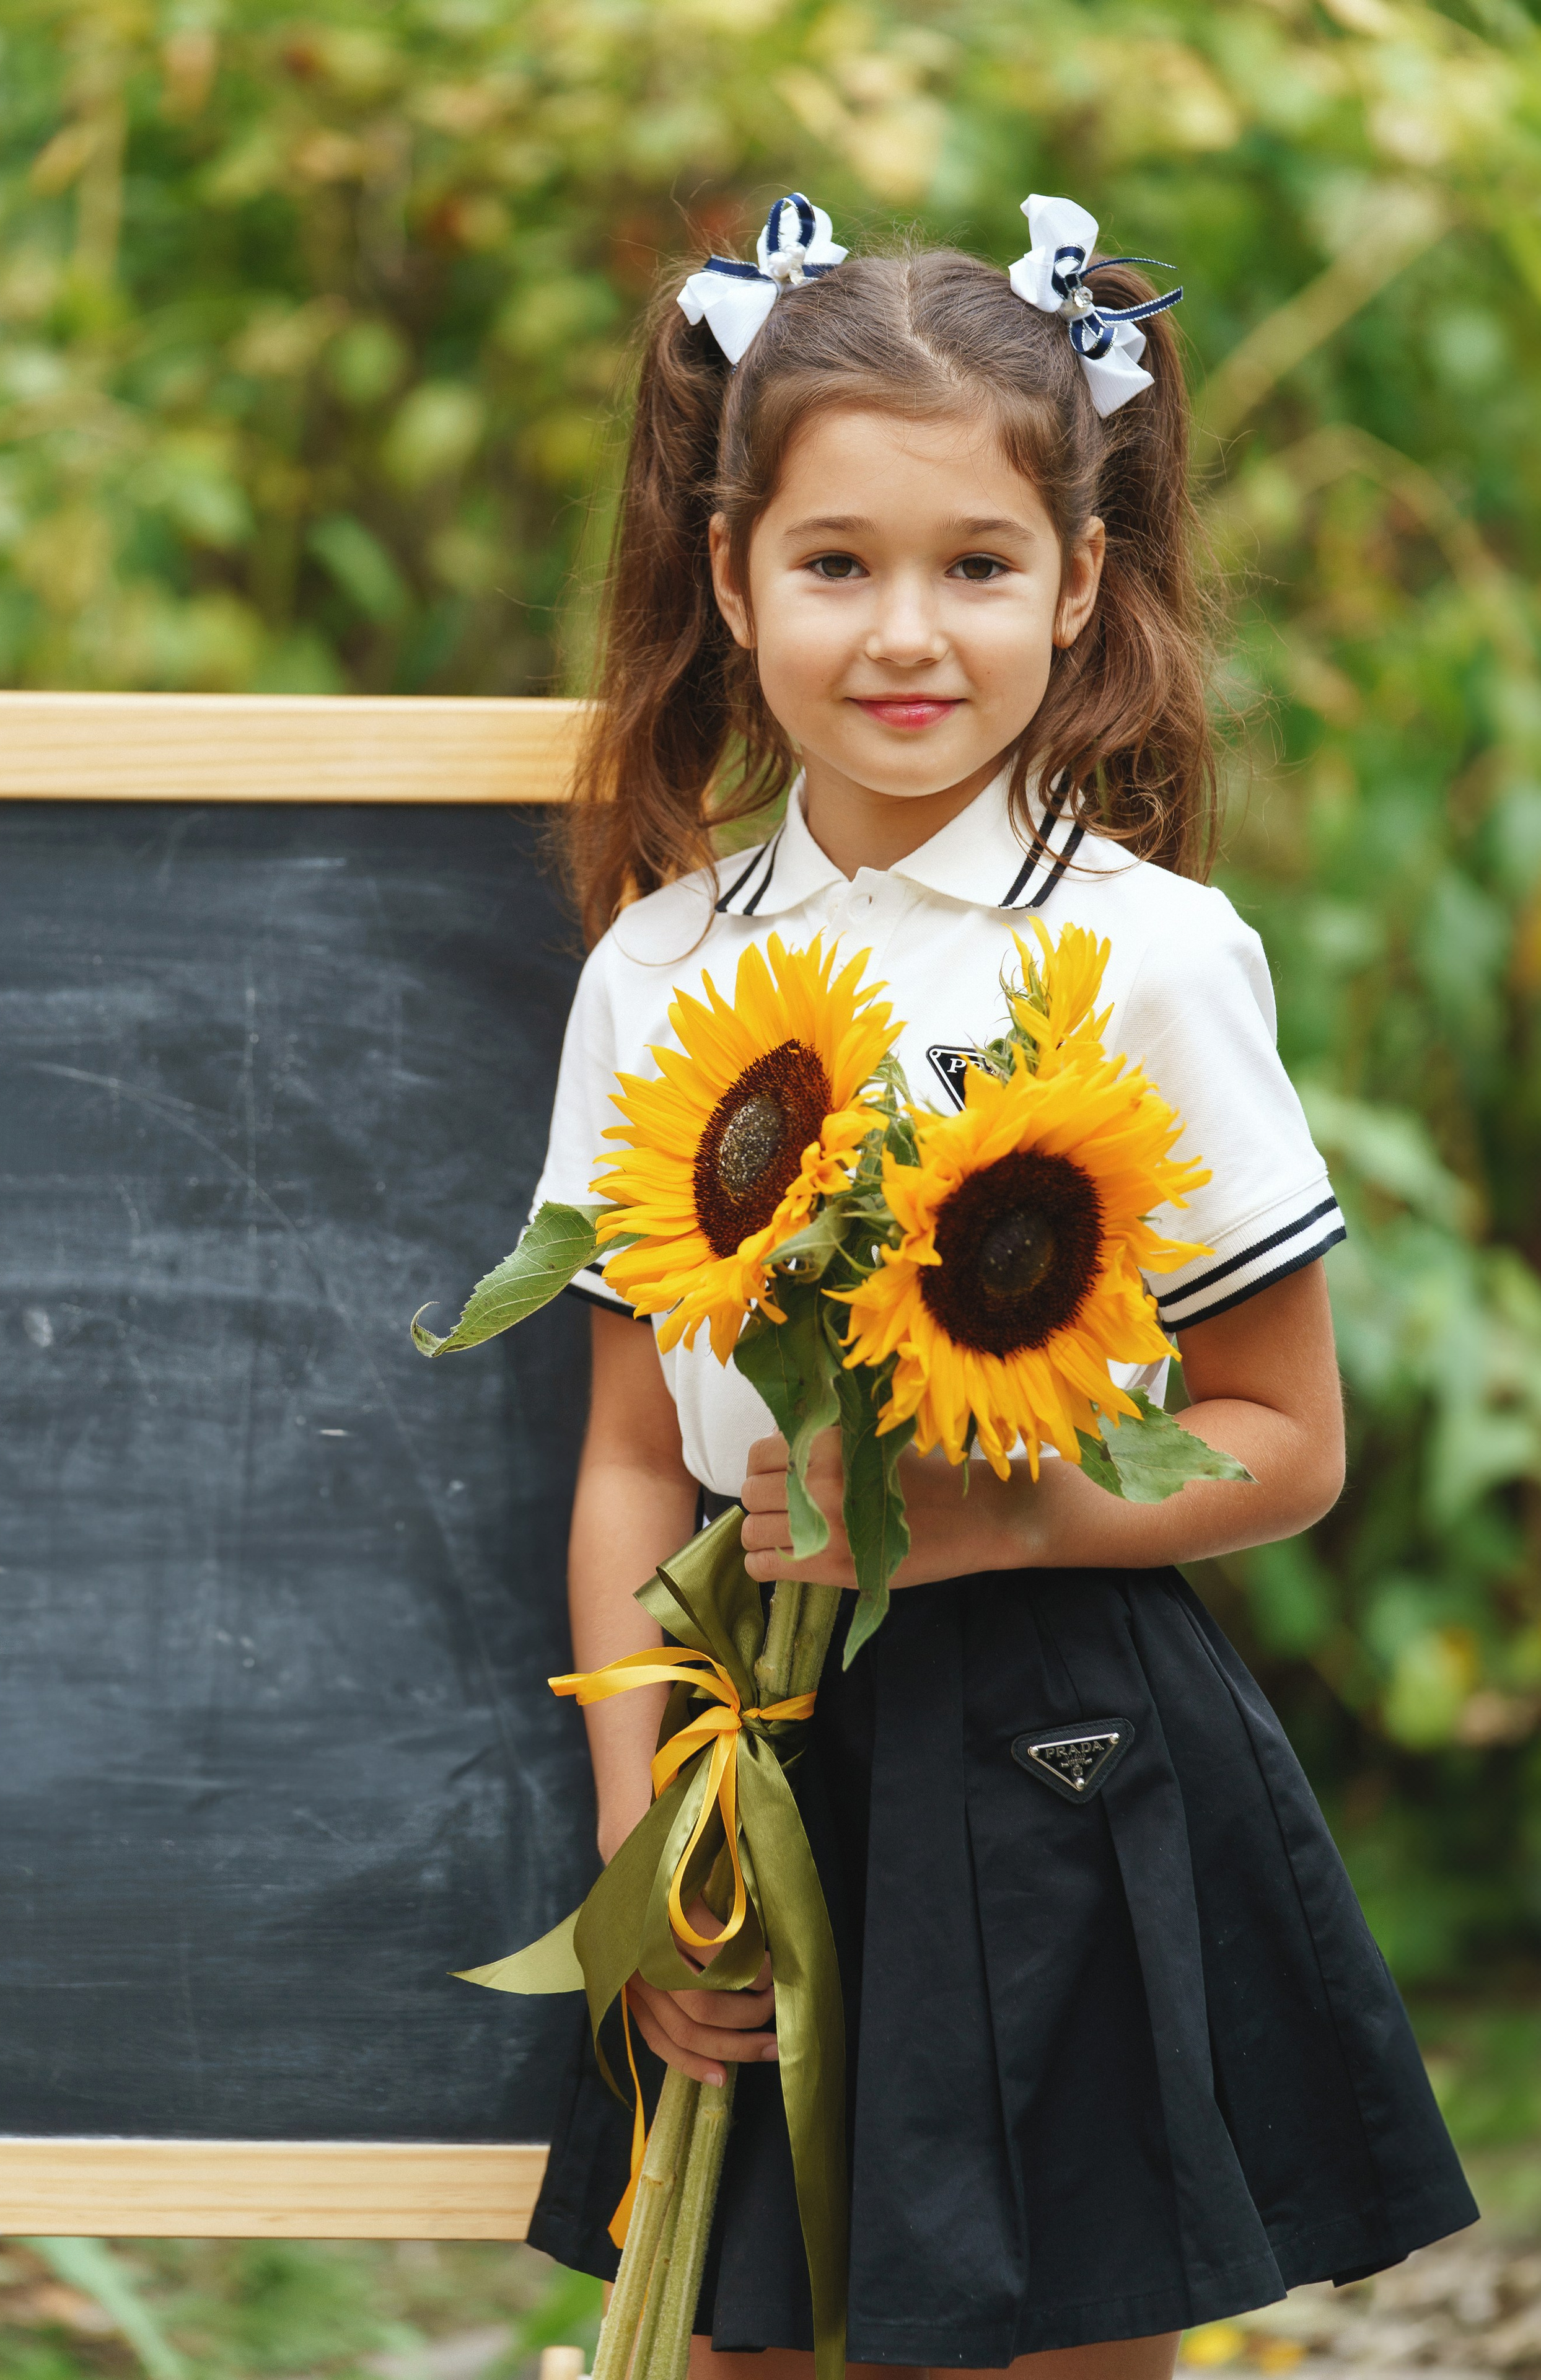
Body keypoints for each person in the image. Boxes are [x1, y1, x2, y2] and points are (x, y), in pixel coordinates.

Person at [522, 191, 1476, 2380]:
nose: (904, 631)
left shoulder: (1140, 956)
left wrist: (997, 1514)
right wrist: (640, 1842)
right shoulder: (659, 968)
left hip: (1064, 1748)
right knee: (743, 2337)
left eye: (978, 564)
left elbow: (1285, 1438)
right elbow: (619, 1459)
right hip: (759, 1739)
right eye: (836, 561)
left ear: (1082, 586)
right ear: (728, 569)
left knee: (1042, 2346)